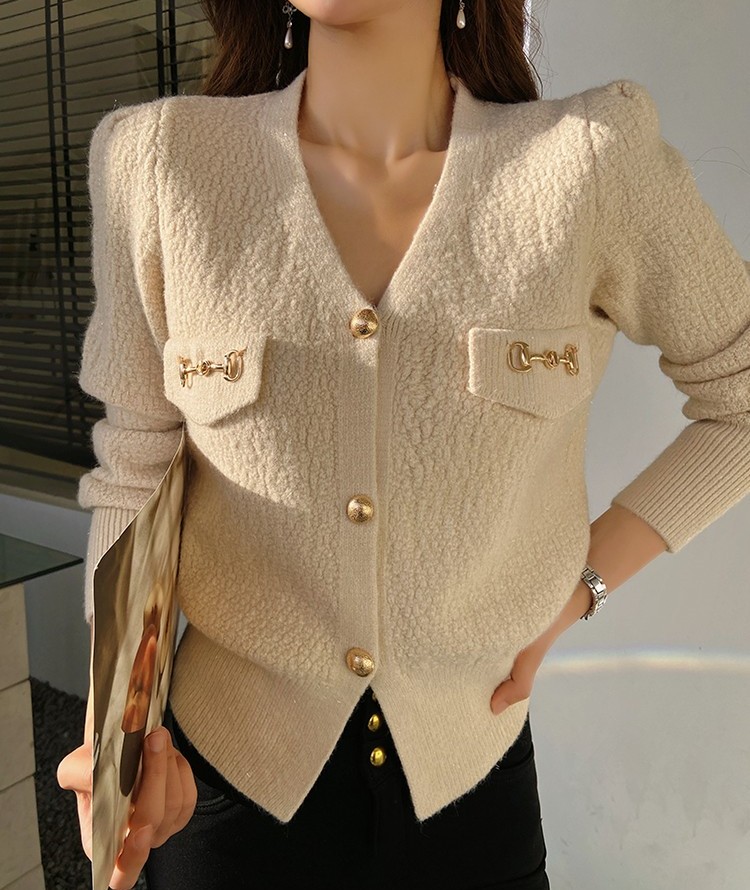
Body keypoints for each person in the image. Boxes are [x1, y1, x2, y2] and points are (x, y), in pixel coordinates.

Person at [57, 1, 750, 888]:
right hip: (221, 795)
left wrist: (584, 584)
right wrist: (120, 736)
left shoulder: (587, 164)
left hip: (473, 795)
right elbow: (137, 468)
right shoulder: (162, 166)